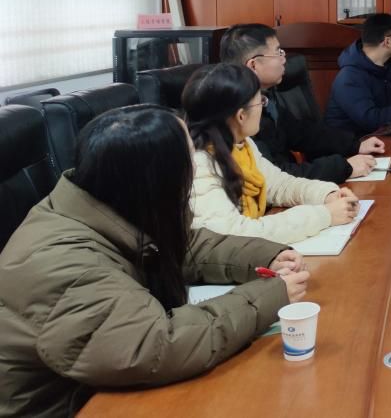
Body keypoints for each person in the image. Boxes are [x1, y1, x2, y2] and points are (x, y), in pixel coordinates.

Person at [0, 105, 309, 418]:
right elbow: (156, 346)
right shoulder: (65, 265)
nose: (196, 164)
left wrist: (266, 256)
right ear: (155, 178)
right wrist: (271, 295)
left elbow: (185, 247)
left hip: (99, 391)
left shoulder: (109, 205)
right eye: (188, 156)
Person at [183, 63, 360, 243]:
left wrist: (326, 195)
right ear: (241, 116)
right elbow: (237, 235)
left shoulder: (242, 144)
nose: (263, 107)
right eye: (260, 101)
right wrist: (324, 215)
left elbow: (279, 185)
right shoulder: (200, 166)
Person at [219, 24, 384, 183]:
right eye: (278, 52)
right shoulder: (240, 117)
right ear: (253, 65)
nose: (284, 59)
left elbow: (303, 133)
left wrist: (355, 145)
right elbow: (279, 178)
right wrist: (344, 167)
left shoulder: (266, 99)